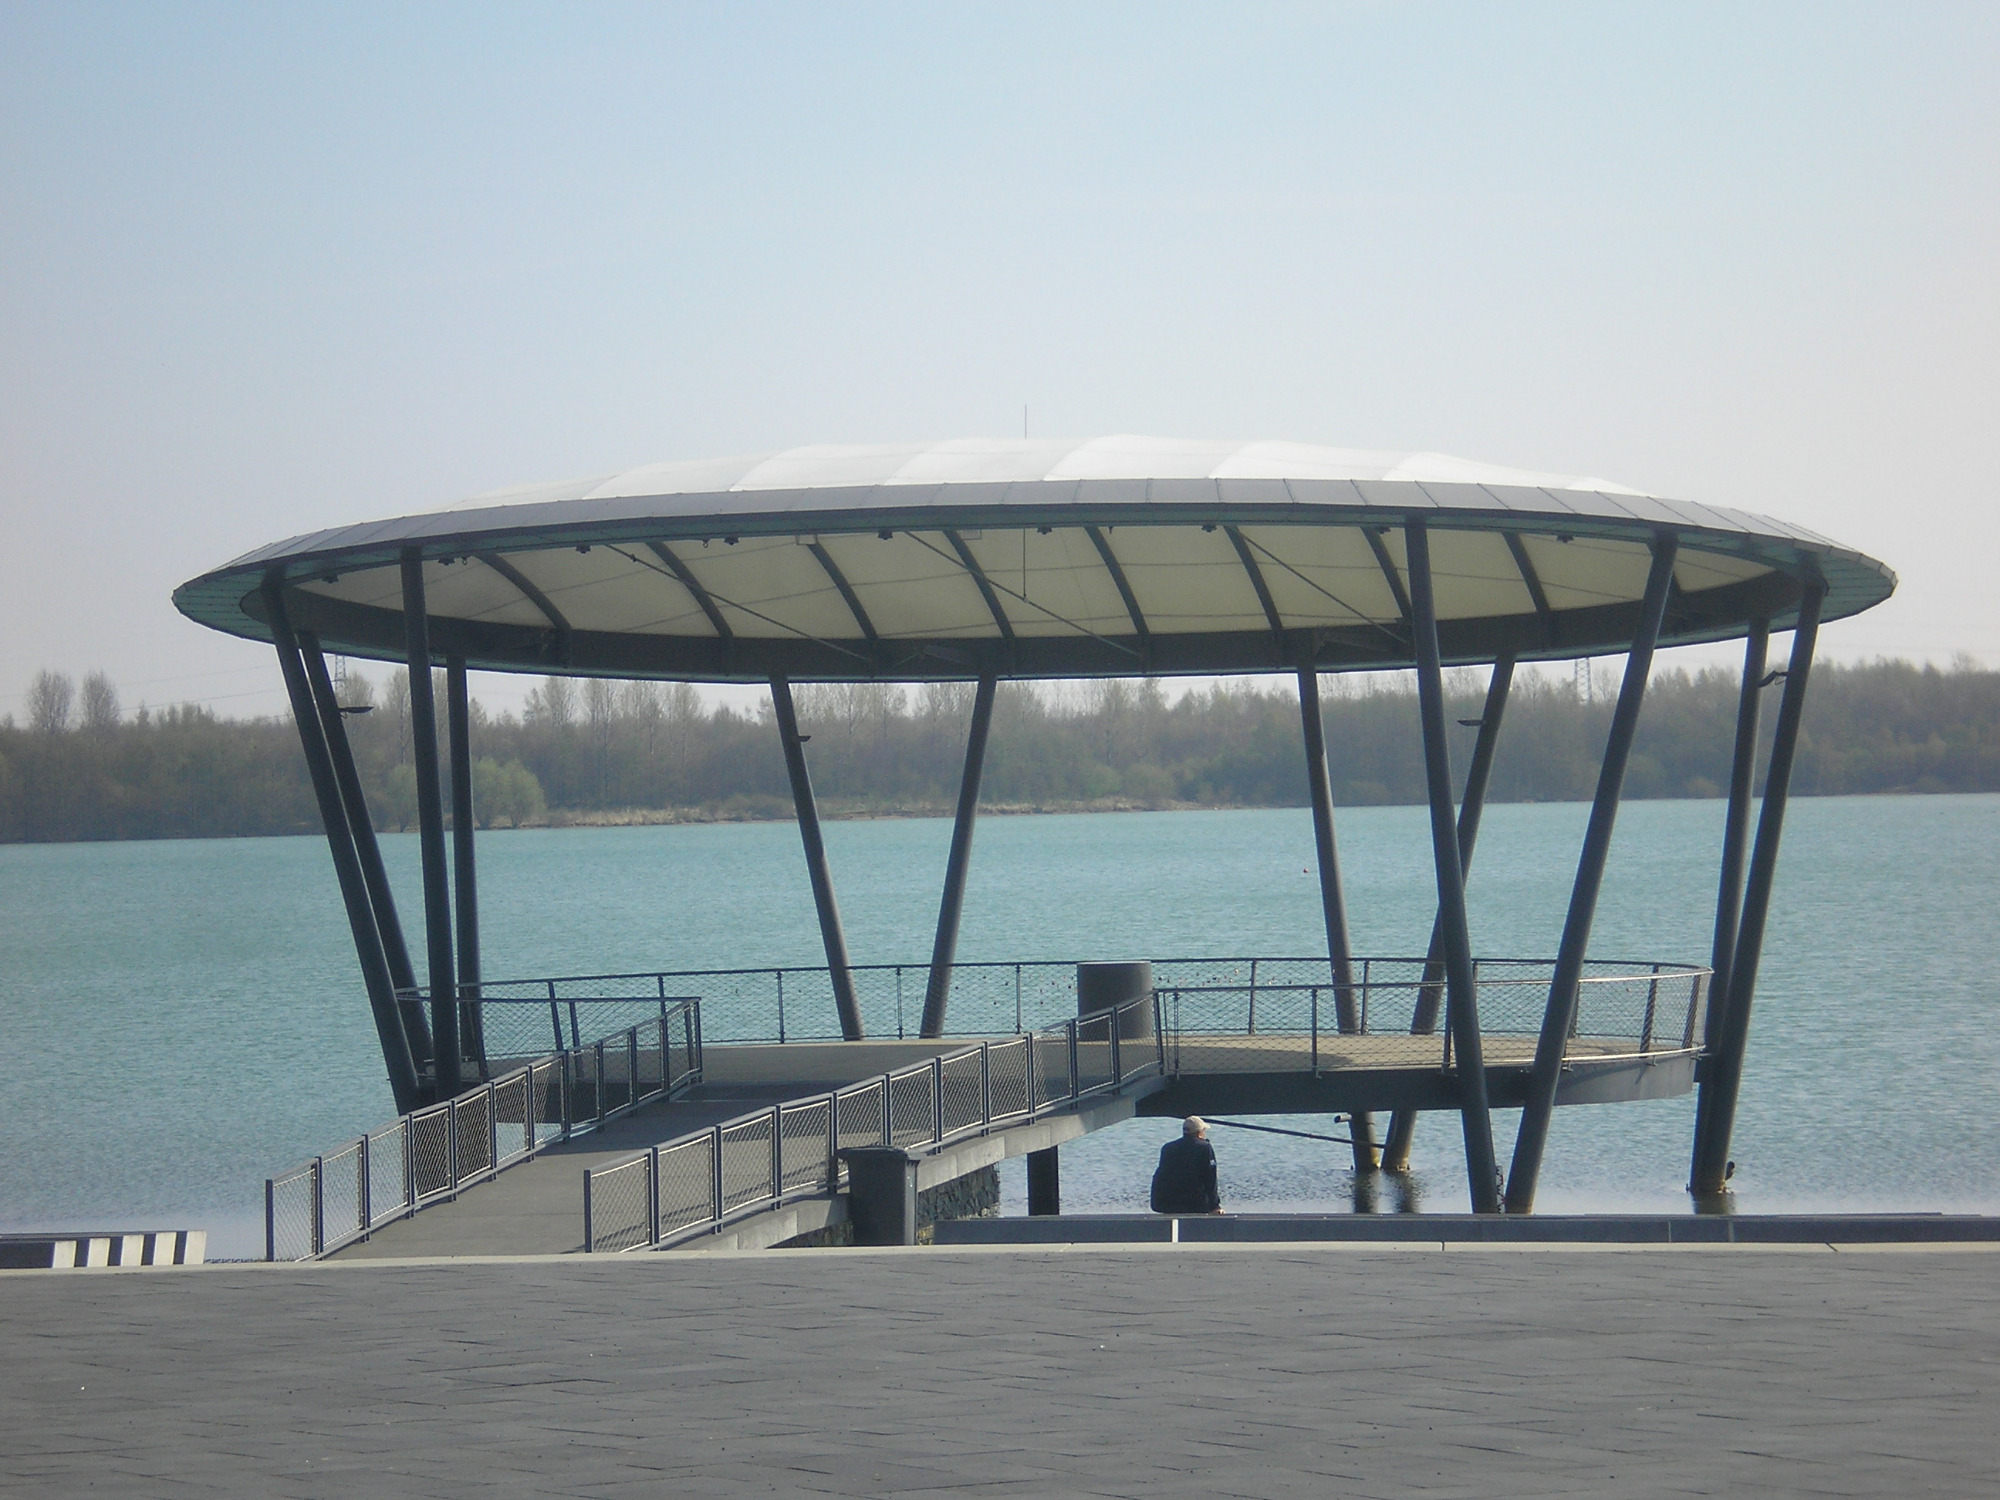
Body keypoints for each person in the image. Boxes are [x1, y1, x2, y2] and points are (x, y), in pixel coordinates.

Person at [1150, 1115, 1223, 1214]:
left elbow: (1162, 1176)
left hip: (1170, 1204)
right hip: (1196, 1204)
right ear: (1199, 1132)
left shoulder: (1168, 1148)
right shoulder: (1204, 1147)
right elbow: (1210, 1178)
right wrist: (1215, 1205)